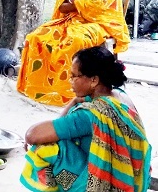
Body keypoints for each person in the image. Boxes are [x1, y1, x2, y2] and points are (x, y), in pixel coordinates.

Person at [17, 0, 130, 106]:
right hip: (71, 18)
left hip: (99, 22)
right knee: (36, 37)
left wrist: (75, 0)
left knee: (74, 41)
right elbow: (62, 6)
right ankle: (40, 89)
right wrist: (81, 4)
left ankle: (68, 94)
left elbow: (102, 6)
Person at [20, 46, 151, 192]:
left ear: (94, 80)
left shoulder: (91, 114)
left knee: (44, 148)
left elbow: (32, 135)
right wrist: (74, 102)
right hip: (130, 179)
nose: (70, 81)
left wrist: (73, 104)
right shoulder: (121, 96)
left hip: (102, 185)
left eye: (74, 76)